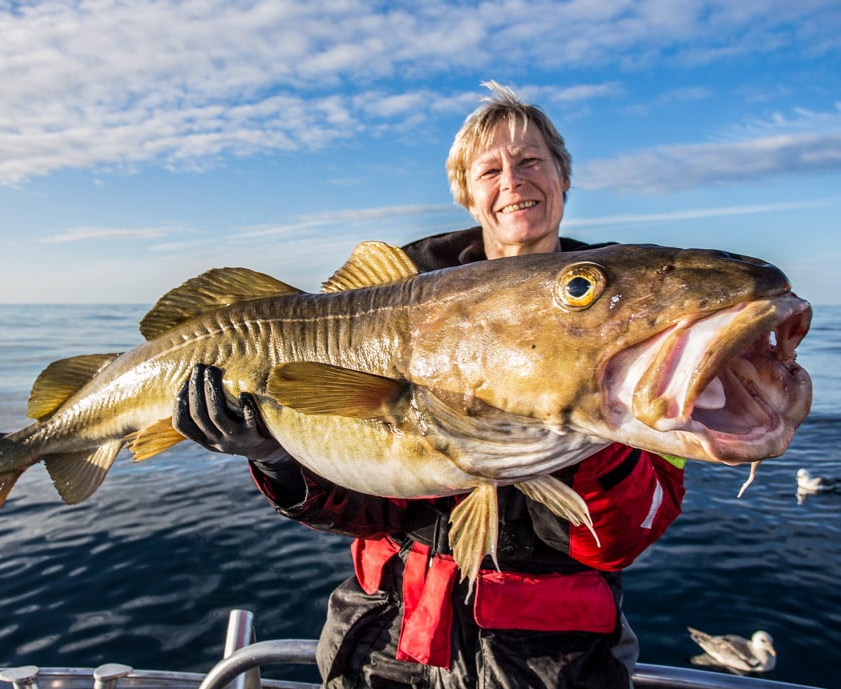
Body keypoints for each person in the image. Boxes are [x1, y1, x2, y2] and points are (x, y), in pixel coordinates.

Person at [174, 82, 686, 689]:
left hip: (549, 662)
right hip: (383, 642)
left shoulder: (637, 338)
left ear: (564, 179)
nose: (513, 181)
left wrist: (583, 417)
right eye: (490, 169)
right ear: (468, 194)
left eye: (531, 162)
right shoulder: (384, 318)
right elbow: (370, 508)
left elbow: (622, 536)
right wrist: (278, 459)